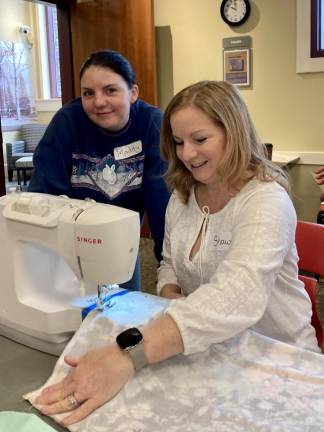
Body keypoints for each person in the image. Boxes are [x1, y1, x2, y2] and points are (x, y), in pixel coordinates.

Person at [35, 80, 319, 426]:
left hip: (278, 358)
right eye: (179, 142)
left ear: (235, 132)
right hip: (211, 347)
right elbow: (168, 263)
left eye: (200, 140)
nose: (187, 154)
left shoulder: (265, 201)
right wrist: (170, 292)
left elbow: (237, 295)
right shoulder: (183, 196)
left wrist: (129, 353)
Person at [28, 50, 170, 291]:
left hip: (120, 242)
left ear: (133, 93)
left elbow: (161, 202)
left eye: (110, 90)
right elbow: (44, 194)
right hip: (71, 244)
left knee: (123, 313)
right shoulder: (68, 122)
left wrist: (167, 269)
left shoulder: (152, 124)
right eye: (88, 93)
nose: (99, 102)